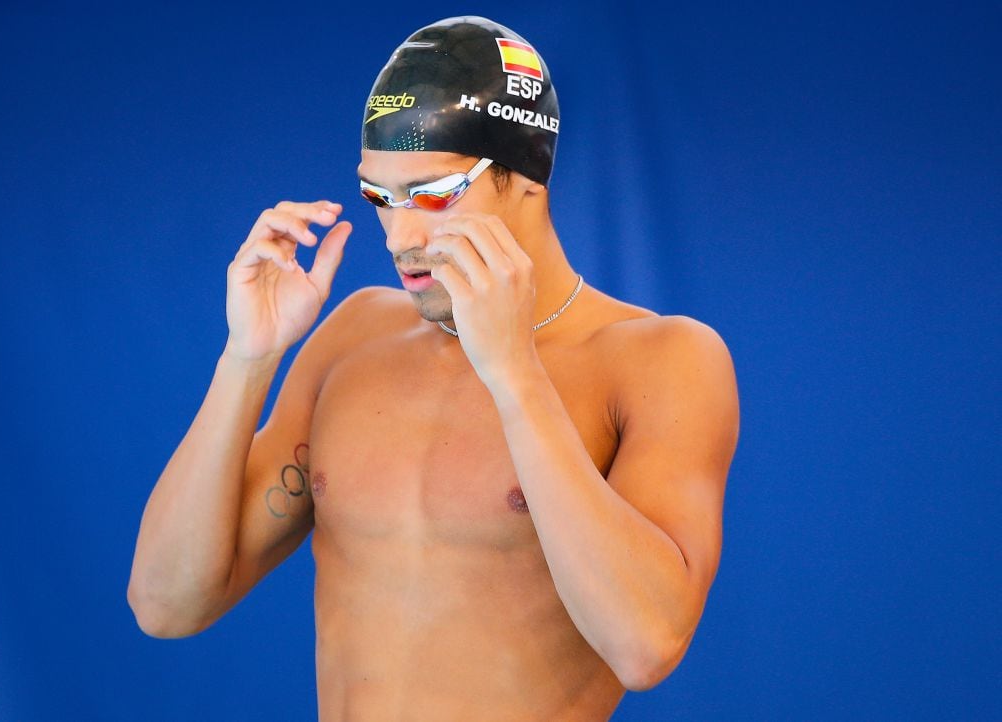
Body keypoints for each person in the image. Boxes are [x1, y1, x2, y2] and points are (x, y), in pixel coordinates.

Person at [128, 15, 739, 720]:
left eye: (433, 194)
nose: (401, 236)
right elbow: (164, 605)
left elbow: (646, 645)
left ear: (527, 175)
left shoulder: (661, 360)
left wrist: (514, 374)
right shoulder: (354, 337)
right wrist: (247, 358)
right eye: (380, 198)